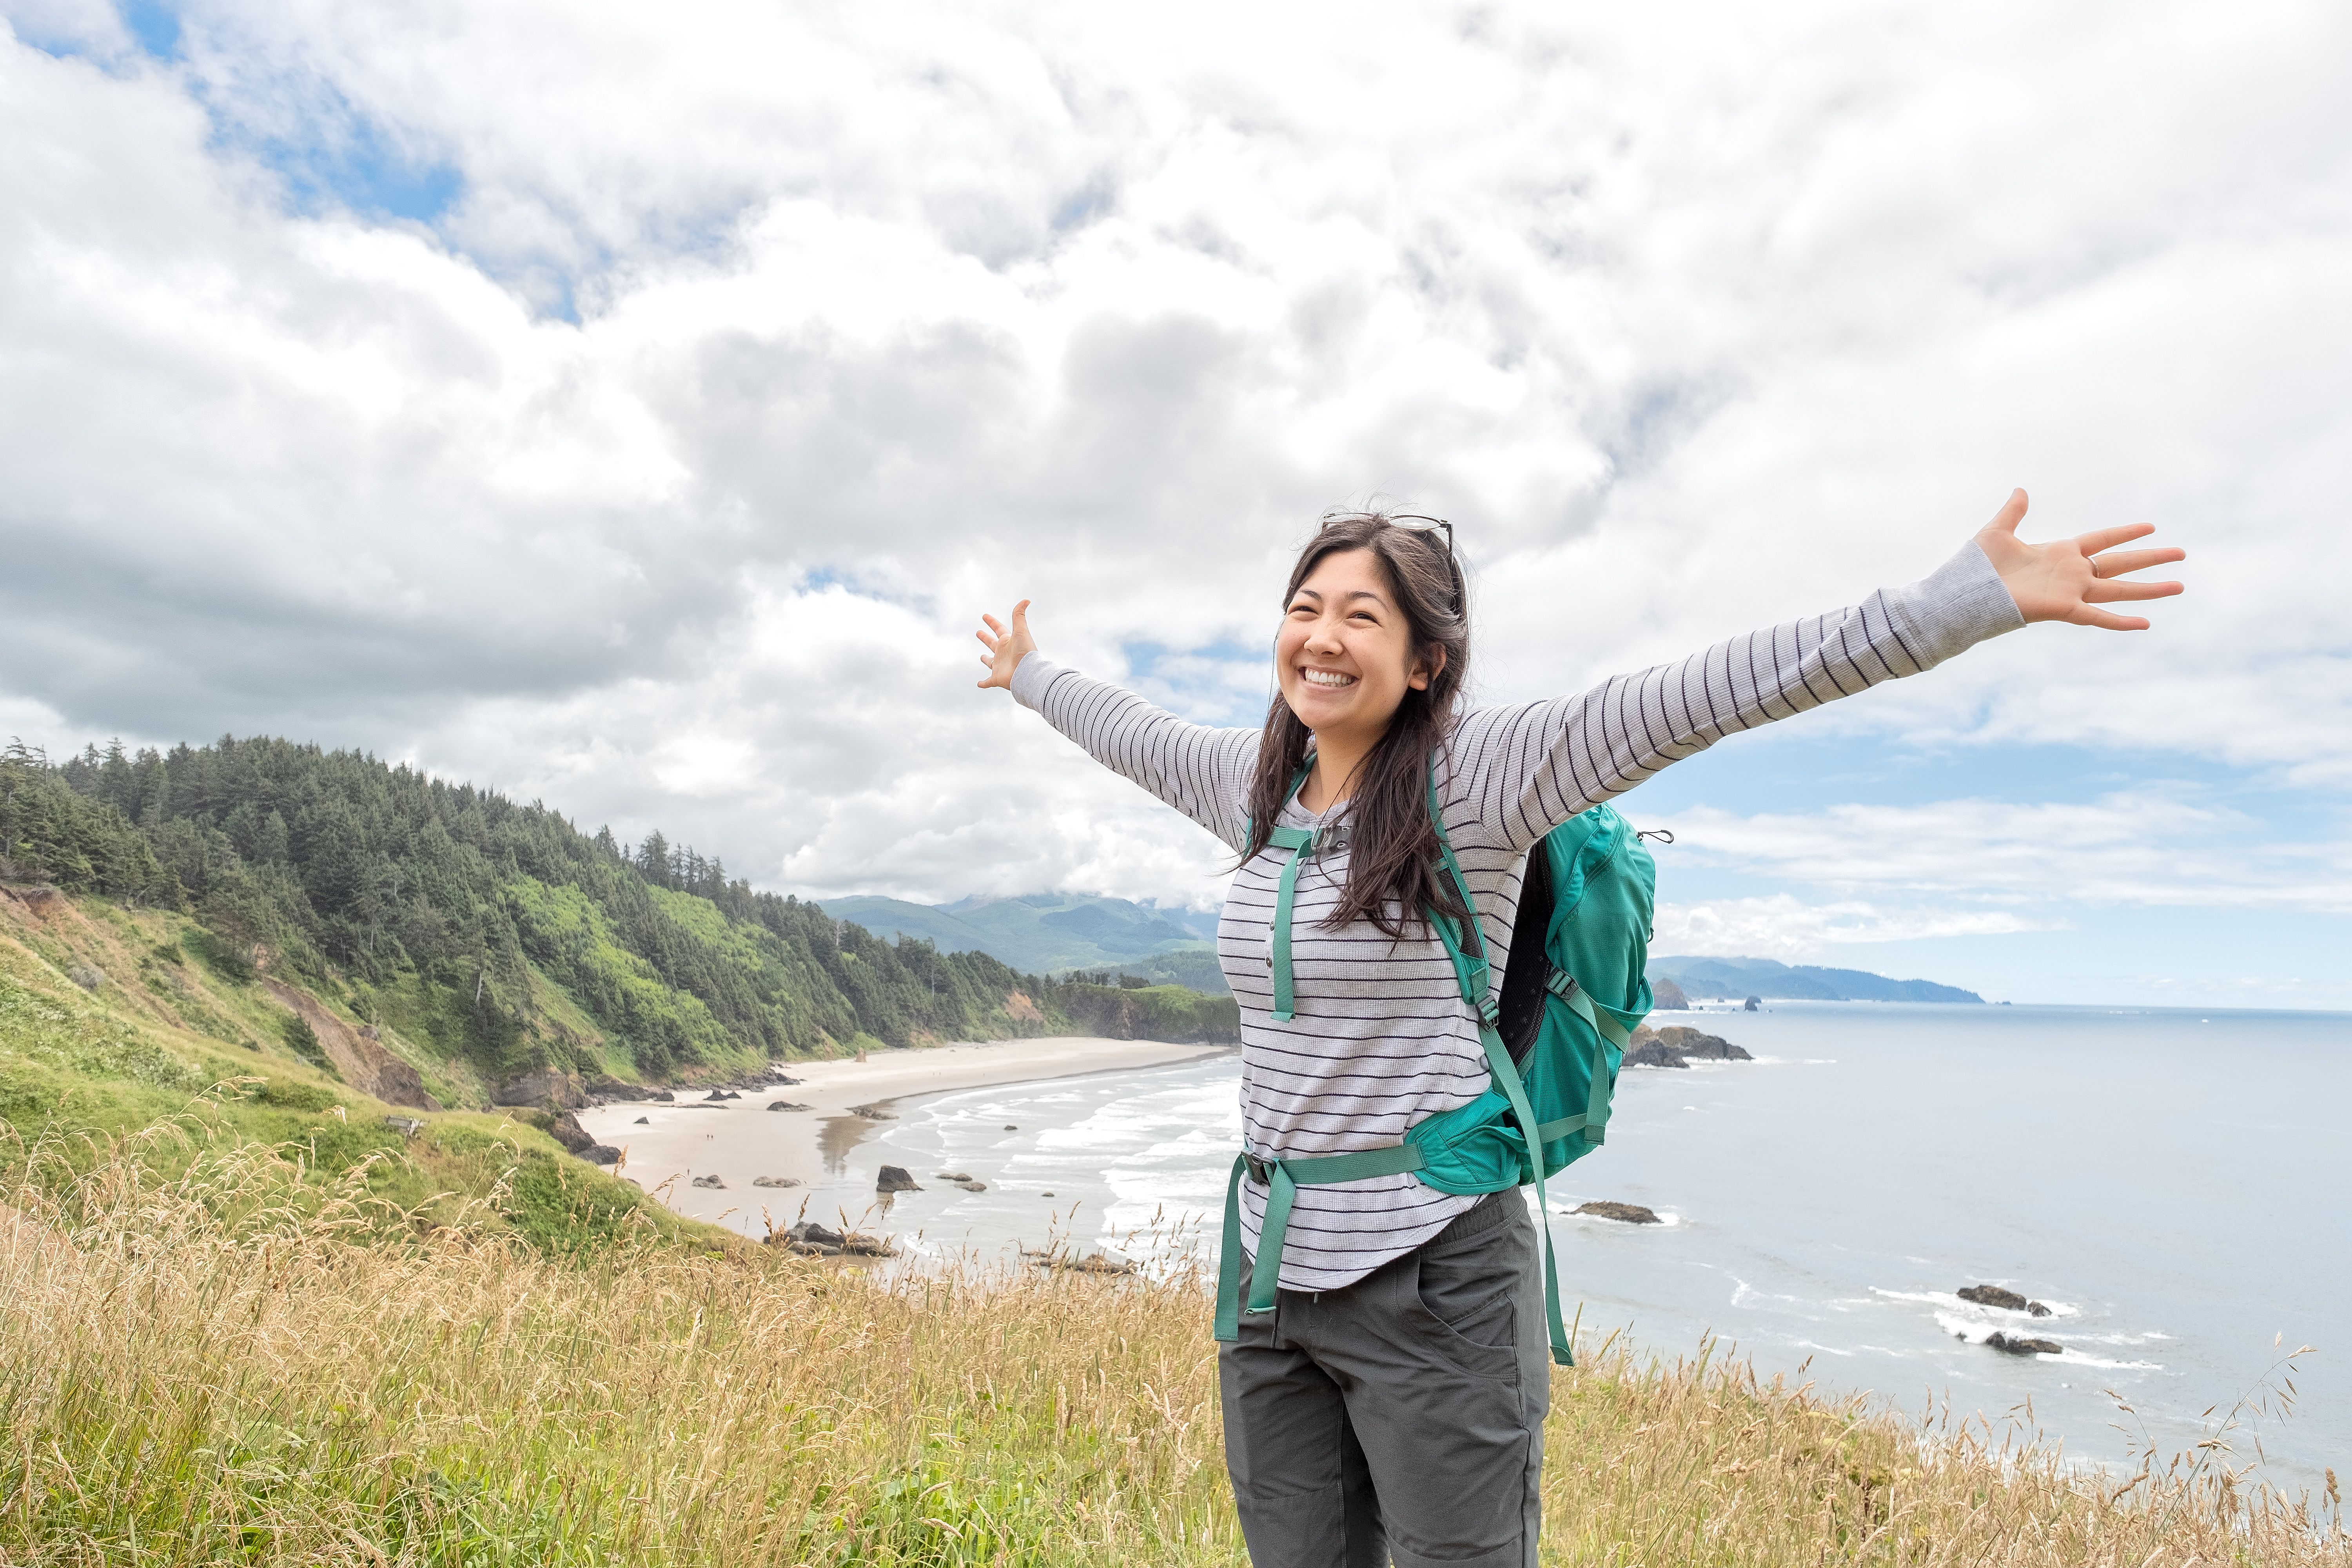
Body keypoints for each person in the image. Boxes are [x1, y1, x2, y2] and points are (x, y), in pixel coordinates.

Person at [973, 493, 2183, 1568]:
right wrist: (1030, 671)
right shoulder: (1255, 784)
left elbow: (1709, 693)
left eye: (1362, 616)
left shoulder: (1485, 776)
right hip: (1268, 1274)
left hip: (1431, 1269)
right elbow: (1124, 730)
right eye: (1305, 607)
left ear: (1427, 664)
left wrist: (1959, 603)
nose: (1322, 637)